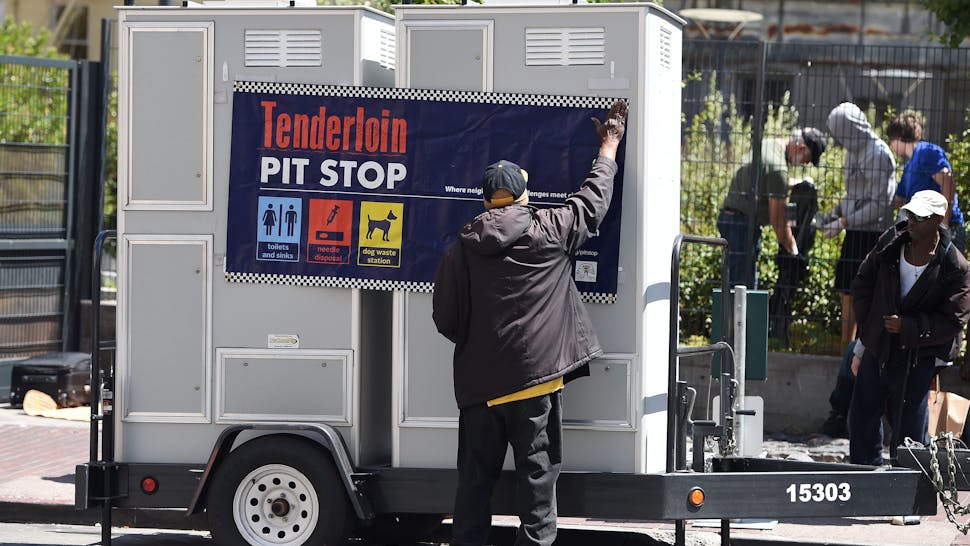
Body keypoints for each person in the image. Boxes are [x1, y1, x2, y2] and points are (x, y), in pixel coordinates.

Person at [431, 100, 628, 546]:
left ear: (485, 200)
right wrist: (610, 144)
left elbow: (445, 318)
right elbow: (592, 200)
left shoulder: (460, 248)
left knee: (474, 488)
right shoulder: (550, 229)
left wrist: (481, 346)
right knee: (538, 489)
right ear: (524, 197)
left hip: (480, 390)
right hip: (537, 387)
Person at [848, 190, 970, 466]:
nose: (911, 221)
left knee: (910, 427)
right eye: (909, 214)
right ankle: (864, 478)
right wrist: (869, 332)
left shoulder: (955, 266)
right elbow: (862, 283)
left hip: (918, 356)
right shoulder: (890, 243)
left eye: (919, 217)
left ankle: (907, 491)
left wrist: (909, 327)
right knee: (862, 418)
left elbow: (954, 319)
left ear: (938, 219)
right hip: (878, 347)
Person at [823, 102, 897, 352]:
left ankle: (864, 346)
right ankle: (847, 345)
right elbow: (853, 194)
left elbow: (880, 204)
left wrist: (844, 221)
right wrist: (835, 212)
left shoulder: (878, 154)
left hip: (873, 235)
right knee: (847, 291)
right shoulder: (852, 151)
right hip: (854, 231)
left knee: (868, 293)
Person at [717, 127, 826, 288]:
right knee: (742, 289)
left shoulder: (769, 145)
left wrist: (799, 183)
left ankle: (729, 312)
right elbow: (778, 221)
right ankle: (732, 314)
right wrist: (794, 251)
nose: (804, 164)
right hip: (741, 227)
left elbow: (768, 181)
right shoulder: (778, 169)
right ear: (801, 148)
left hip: (730, 217)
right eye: (806, 160)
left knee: (732, 284)